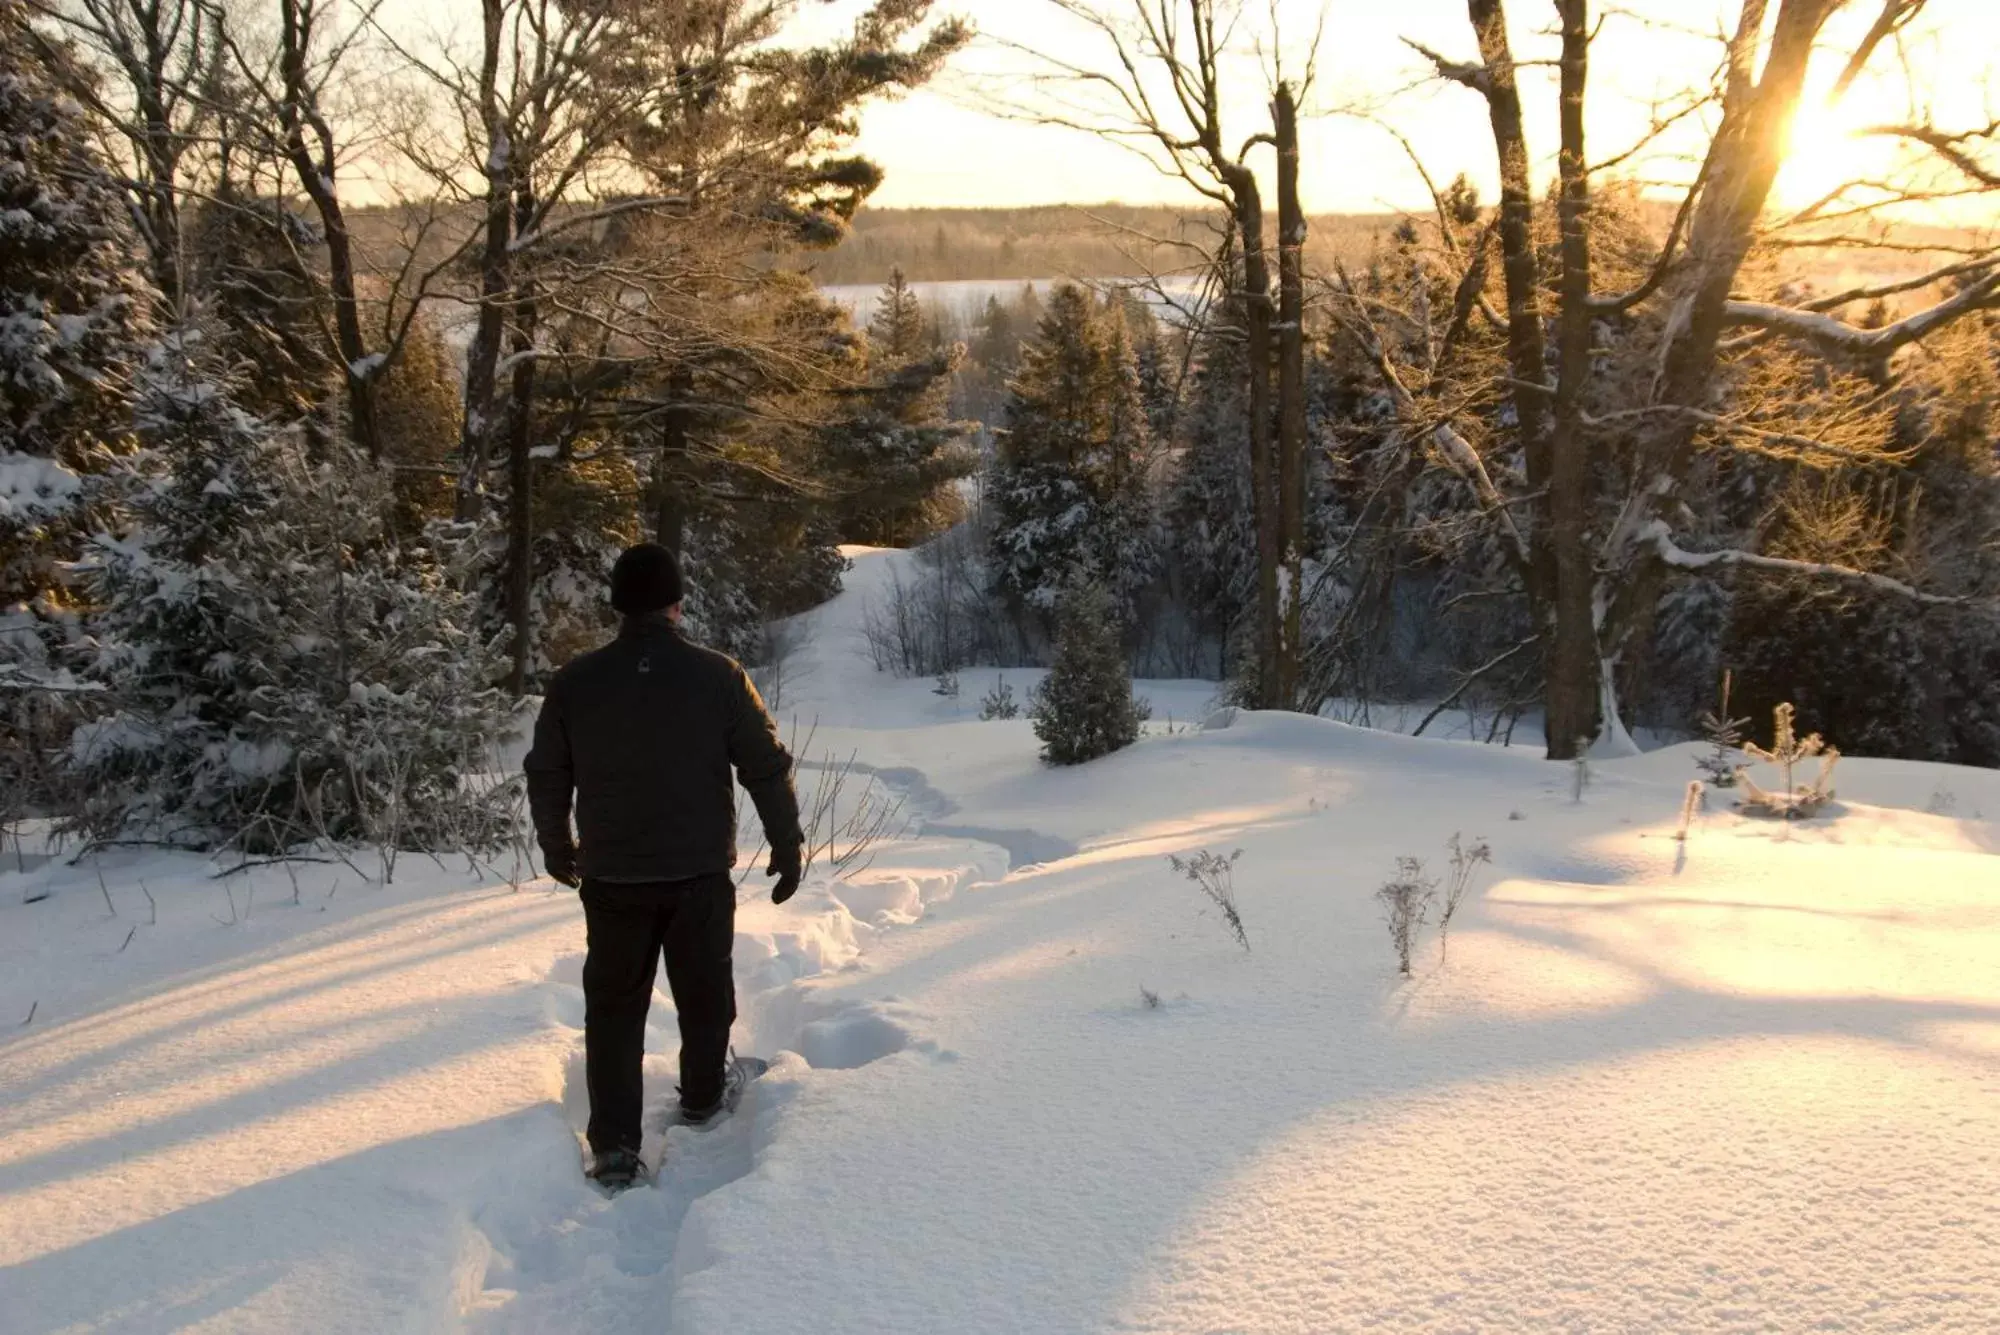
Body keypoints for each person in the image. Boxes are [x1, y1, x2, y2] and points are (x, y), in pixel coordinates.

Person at [525, 542, 804, 1191]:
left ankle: (617, 1145)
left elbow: (547, 770)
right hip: (698, 872)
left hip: (613, 876)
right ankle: (705, 1094)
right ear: (677, 603)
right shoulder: (719, 675)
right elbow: (765, 764)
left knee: (615, 1009)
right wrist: (787, 844)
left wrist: (556, 844)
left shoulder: (575, 681)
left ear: (618, 605)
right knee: (705, 993)